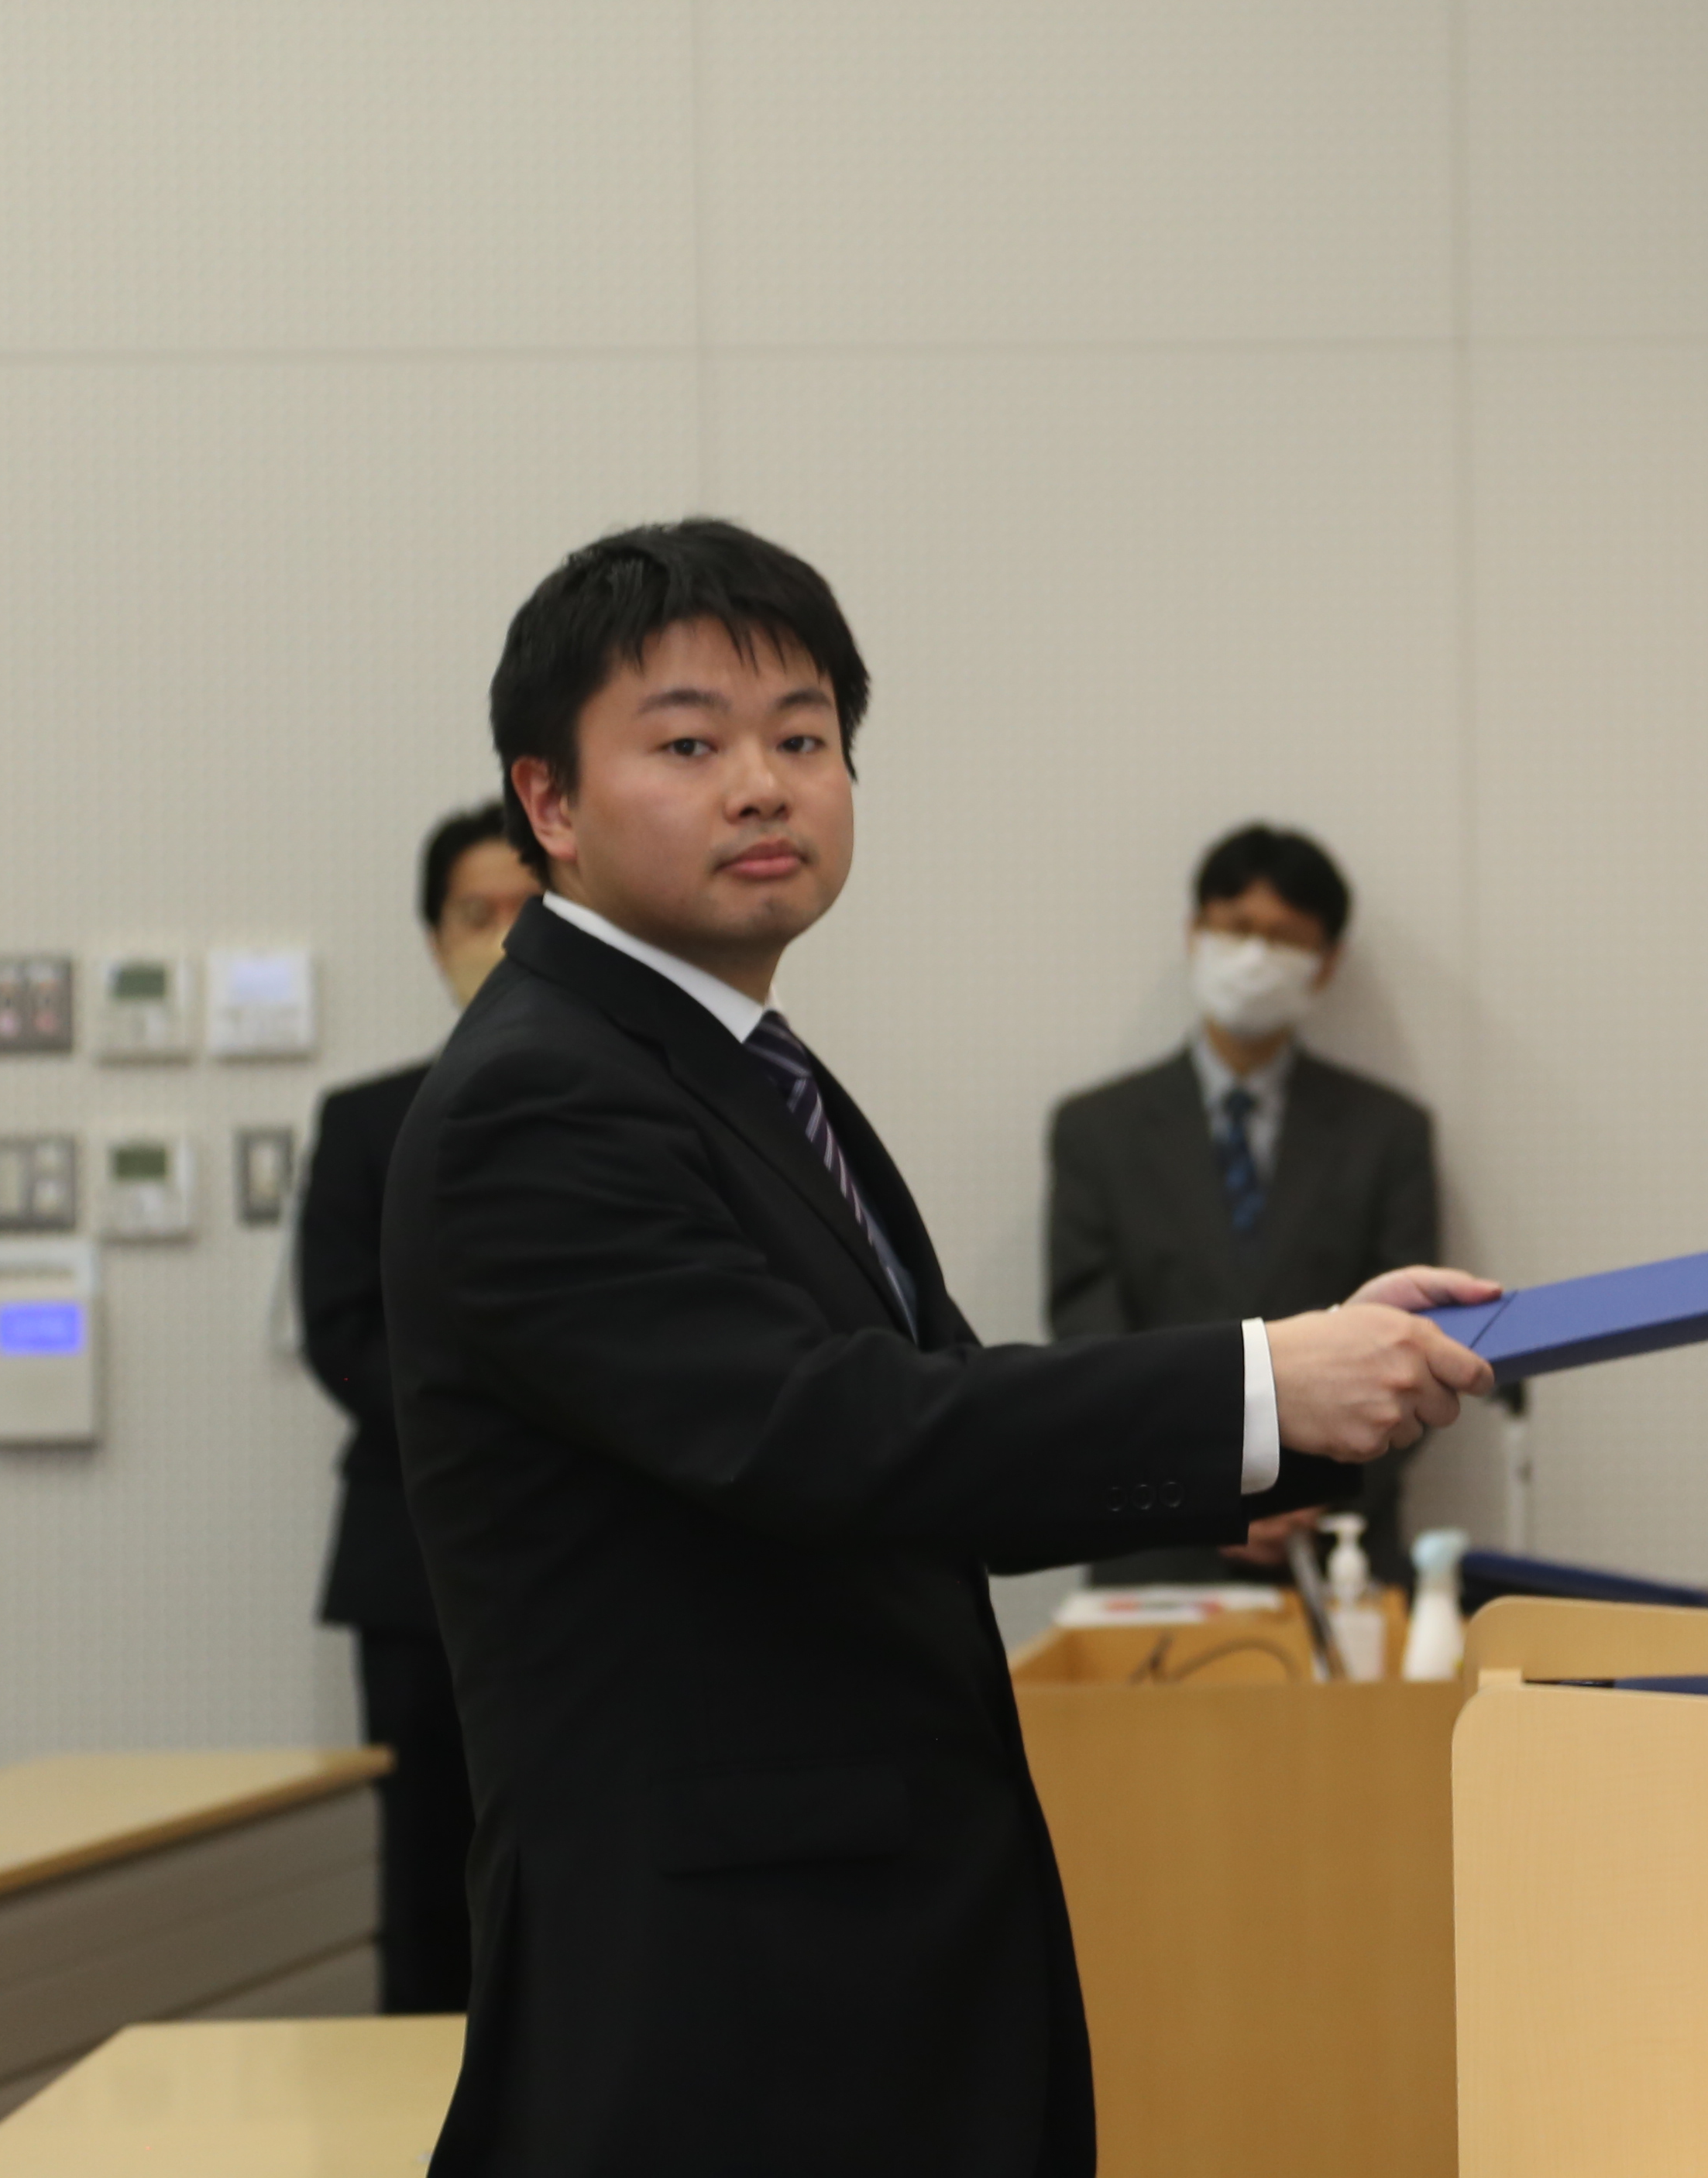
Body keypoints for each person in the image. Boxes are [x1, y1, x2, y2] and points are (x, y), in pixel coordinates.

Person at [384, 519, 1495, 2178]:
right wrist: (1265, 1381)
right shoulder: (543, 1095)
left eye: (804, 737)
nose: (762, 786)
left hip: (843, 1957)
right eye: (688, 745)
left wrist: (1272, 1429)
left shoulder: (739, 1063)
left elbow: (942, 1434)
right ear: (547, 800)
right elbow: (832, 1430)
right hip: (721, 1996)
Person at [1047, 825, 1441, 1585]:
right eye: (1236, 928)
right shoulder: (1095, 1131)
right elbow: (1088, 1346)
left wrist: (1308, 1497)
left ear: (1327, 962)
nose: (1256, 956)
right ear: (1194, 933)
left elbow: (1417, 1344)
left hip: (1338, 1554)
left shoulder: (1389, 1132)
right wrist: (1203, 1491)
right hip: (1154, 1550)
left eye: (1285, 938)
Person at [294, 800, 540, 2015]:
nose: (499, 934)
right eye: (473, 913)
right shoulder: (365, 1124)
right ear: (434, 933)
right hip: (416, 1564)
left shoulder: (643, 1103)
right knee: (431, 1877)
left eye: (527, 909)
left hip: (601, 1554)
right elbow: (344, 1337)